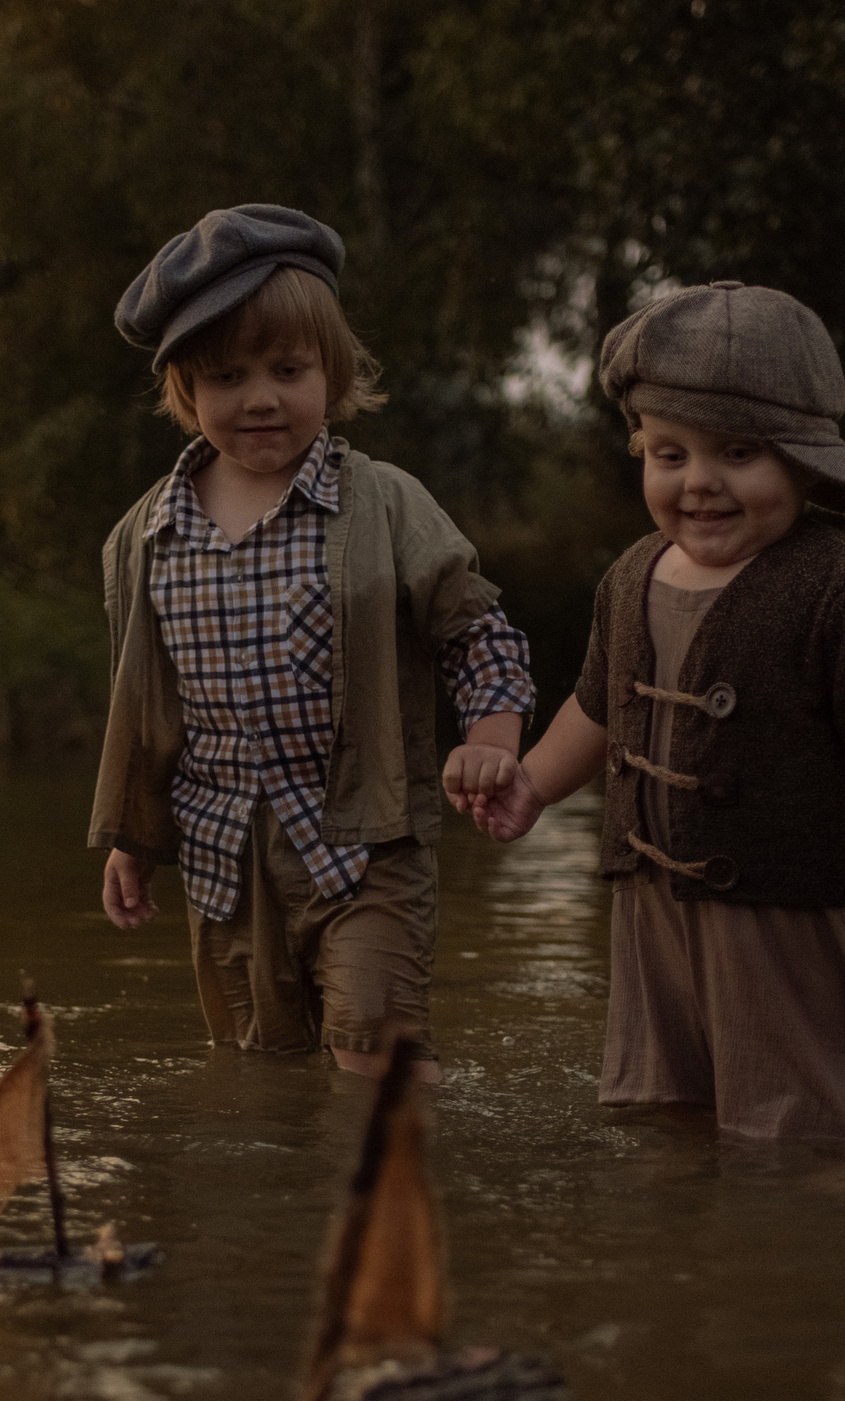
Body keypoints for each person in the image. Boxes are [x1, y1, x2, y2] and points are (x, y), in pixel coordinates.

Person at [461, 281, 845, 1138]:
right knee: (663, 1112)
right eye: (669, 454)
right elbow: (597, 706)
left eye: (739, 453)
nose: (700, 483)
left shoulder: (844, 588)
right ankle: (681, 1250)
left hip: (791, 914)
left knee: (810, 1128)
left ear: (804, 458)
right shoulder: (632, 573)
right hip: (652, 909)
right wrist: (534, 783)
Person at [88, 204, 535, 1081]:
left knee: (377, 1046)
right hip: (225, 859)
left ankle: (400, 1202)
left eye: (288, 369)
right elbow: (145, 708)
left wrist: (492, 742)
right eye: (227, 376)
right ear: (186, 391)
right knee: (260, 1073)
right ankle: (289, 1215)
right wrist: (133, 838)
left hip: (367, 842)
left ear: (330, 370)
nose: (260, 396)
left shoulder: (385, 502)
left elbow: (476, 629)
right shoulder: (145, 535)